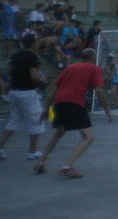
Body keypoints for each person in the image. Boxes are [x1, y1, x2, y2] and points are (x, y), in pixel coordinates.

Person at [32, 48, 113, 178]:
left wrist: (46, 108)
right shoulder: (94, 69)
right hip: (74, 102)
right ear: (93, 58)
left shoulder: (70, 67)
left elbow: (54, 87)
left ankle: (40, 162)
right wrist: (107, 110)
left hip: (59, 101)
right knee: (88, 137)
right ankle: (66, 167)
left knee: (60, 131)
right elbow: (99, 90)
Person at [0, 34, 50, 160]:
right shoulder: (32, 56)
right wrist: (42, 80)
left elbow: (9, 71)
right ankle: (32, 151)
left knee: (14, 120)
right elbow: (34, 76)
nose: (38, 44)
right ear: (33, 43)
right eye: (36, 42)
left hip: (14, 92)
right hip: (27, 92)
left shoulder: (16, 55)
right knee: (36, 120)